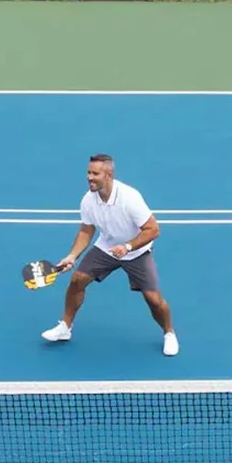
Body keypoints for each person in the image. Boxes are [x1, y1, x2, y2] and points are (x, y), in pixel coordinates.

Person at [41, 153, 178, 357]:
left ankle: (169, 333)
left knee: (153, 299)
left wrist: (128, 247)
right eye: (88, 172)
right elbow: (86, 231)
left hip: (137, 251)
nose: (89, 177)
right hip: (107, 247)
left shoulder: (130, 198)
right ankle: (65, 328)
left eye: (95, 173)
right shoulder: (88, 200)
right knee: (77, 280)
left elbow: (153, 230)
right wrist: (72, 256)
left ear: (109, 175)